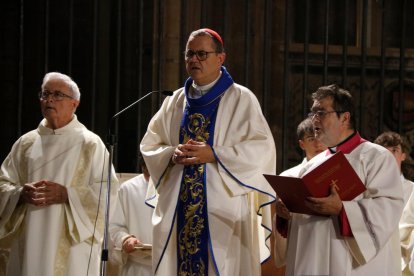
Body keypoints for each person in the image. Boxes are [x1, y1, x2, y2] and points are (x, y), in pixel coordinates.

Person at [140, 28, 276, 275]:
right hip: (178, 210)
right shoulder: (174, 101)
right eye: (190, 54)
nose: (194, 60)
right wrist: (171, 153)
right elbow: (150, 144)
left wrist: (214, 154)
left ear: (220, 58)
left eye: (202, 54)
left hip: (223, 213)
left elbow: (262, 149)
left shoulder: (241, 99)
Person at [275, 84, 404, 275]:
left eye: (321, 112)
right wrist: (285, 215)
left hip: (351, 265)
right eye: (312, 113)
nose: (314, 119)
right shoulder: (311, 165)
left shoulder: (376, 157)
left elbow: (388, 208)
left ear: (345, 117)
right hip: (312, 262)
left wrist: (343, 209)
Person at [0, 72, 118, 276]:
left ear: (75, 103)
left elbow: (108, 192)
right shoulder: (25, 143)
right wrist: (19, 194)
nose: (49, 99)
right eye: (45, 94)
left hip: (72, 245)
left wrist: (67, 194)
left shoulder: (91, 143)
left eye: (57, 94)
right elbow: (3, 183)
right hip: (29, 239)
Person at [273, 117, 326, 266]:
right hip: (302, 242)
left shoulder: (338, 172)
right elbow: (281, 223)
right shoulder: (288, 177)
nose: (318, 143)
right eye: (311, 139)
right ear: (302, 144)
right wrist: (281, 215)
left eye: (320, 137)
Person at [109, 155, 153, 276]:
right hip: (137, 268)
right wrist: (125, 239)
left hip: (170, 265)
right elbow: (114, 226)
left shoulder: (178, 188)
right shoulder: (128, 189)